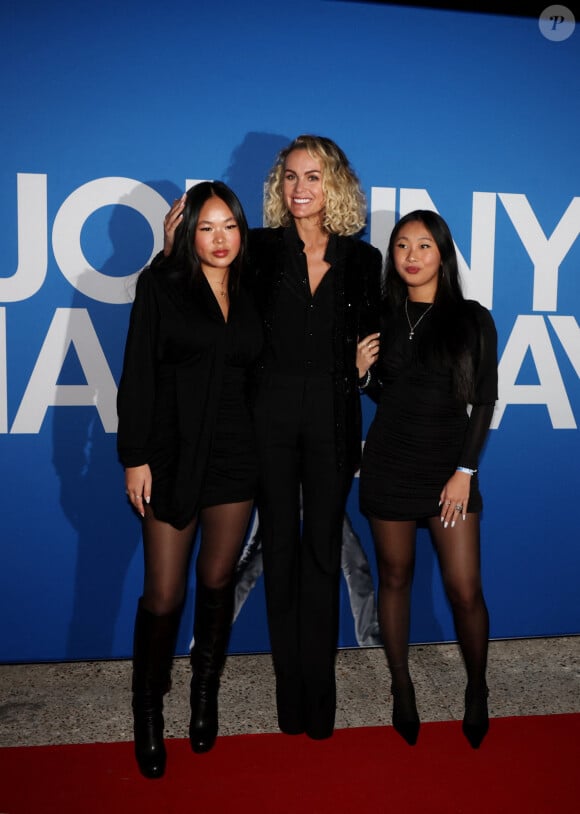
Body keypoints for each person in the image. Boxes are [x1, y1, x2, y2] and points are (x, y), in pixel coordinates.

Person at [117, 181, 262, 778]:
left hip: (237, 455)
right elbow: (138, 374)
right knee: (165, 593)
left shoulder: (256, 290)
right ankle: (147, 711)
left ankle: (205, 694)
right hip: (172, 455)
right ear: (186, 233)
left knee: (218, 579)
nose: (220, 238)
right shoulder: (162, 286)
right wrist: (135, 456)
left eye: (228, 225)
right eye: (206, 227)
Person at [359, 210, 497, 749]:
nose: (412, 255)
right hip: (389, 465)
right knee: (394, 580)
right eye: (400, 246)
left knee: (465, 590)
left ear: (442, 253)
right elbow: (387, 394)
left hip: (448, 469)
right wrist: (362, 373)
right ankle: (402, 687)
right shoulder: (382, 316)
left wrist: (464, 472)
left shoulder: (471, 318)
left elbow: (483, 400)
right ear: (392, 257)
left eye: (423, 245)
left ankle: (478, 688)